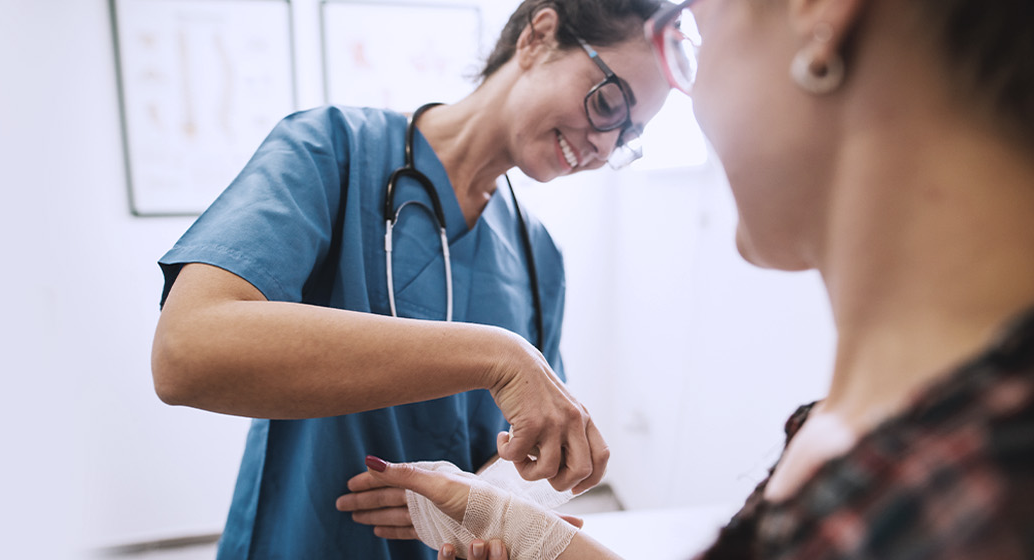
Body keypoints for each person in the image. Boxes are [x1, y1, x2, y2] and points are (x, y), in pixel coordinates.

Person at [355, 0, 1034, 557]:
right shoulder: (874, 439)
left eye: (700, 36)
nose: (699, 91)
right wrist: (522, 531)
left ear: (819, 14)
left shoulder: (969, 495)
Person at [150, 0, 672, 557]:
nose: (604, 144)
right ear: (538, 37)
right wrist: (497, 355)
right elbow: (186, 353)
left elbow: (528, 451)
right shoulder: (332, 149)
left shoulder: (537, 251)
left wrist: (485, 503)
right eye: (610, 103)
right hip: (306, 539)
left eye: (628, 136)